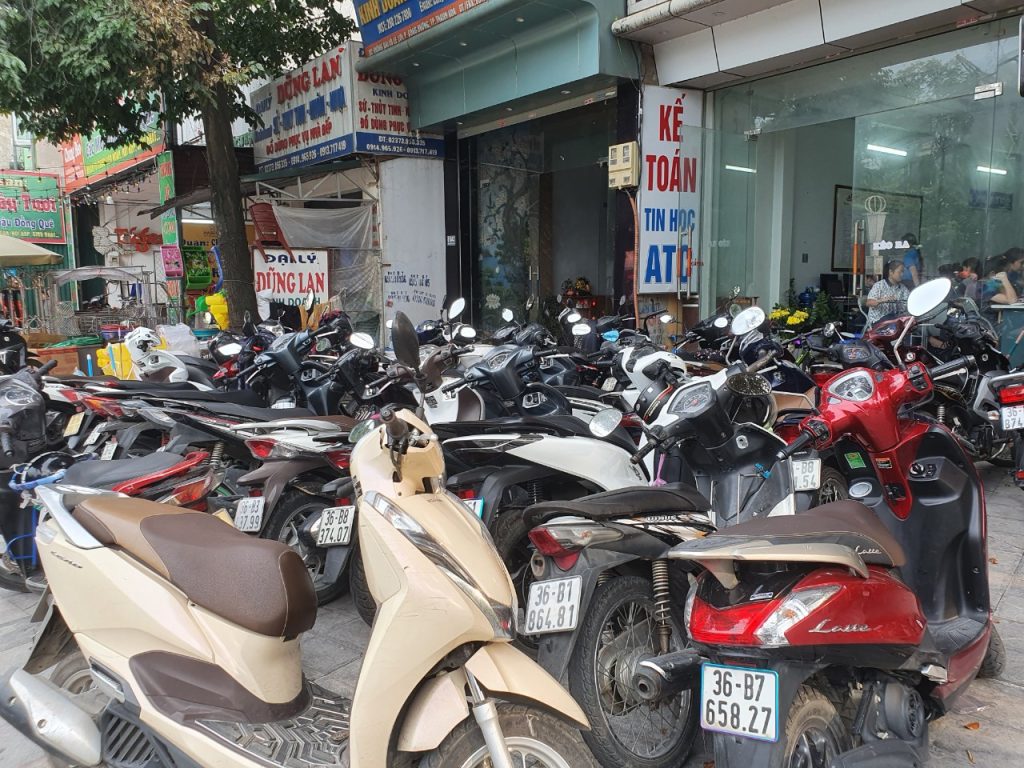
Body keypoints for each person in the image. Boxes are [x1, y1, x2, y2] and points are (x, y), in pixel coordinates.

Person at [866, 259, 911, 325]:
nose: (902, 274)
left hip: (893, 319)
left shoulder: (902, 288)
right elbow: (868, 303)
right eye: (899, 272)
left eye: (903, 272)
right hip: (878, 321)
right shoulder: (879, 285)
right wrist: (882, 300)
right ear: (891, 272)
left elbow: (909, 302)